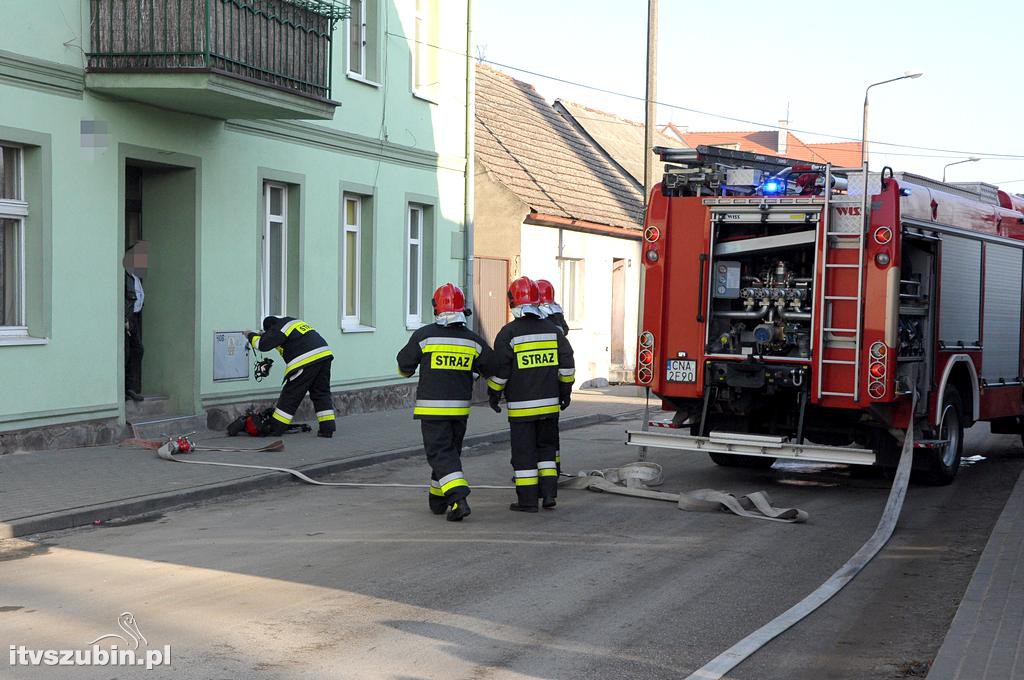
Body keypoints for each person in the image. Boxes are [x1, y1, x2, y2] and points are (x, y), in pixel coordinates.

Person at [396, 284, 494, 522]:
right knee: (449, 454)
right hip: (459, 411)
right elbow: (493, 367)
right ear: (462, 309)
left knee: (440, 454)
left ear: (436, 308)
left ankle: (459, 499)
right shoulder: (473, 341)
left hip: (432, 410)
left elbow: (404, 367)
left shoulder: (425, 336)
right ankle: (438, 500)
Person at [488, 277, 575, 512]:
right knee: (547, 450)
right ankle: (548, 495)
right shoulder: (553, 331)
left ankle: (527, 501)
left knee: (524, 453)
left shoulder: (508, 333)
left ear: (512, 302)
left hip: (522, 409)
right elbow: (567, 365)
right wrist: (565, 392)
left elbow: (501, 372)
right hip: (550, 406)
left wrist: (493, 395)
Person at [245, 316, 335, 438]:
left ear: (270, 328)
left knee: (291, 395)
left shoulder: (279, 328)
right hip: (324, 355)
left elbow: (261, 345)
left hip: (305, 360)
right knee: (321, 393)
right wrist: (265, 335)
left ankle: (276, 428)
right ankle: (327, 429)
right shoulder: (292, 323)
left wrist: (250, 335)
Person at [123, 242, 147, 402]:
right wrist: (124, 319)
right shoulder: (124, 276)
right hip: (127, 319)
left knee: (137, 350)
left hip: (135, 318)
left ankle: (130, 388)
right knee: (127, 352)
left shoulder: (136, 277)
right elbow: (121, 298)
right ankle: (125, 389)